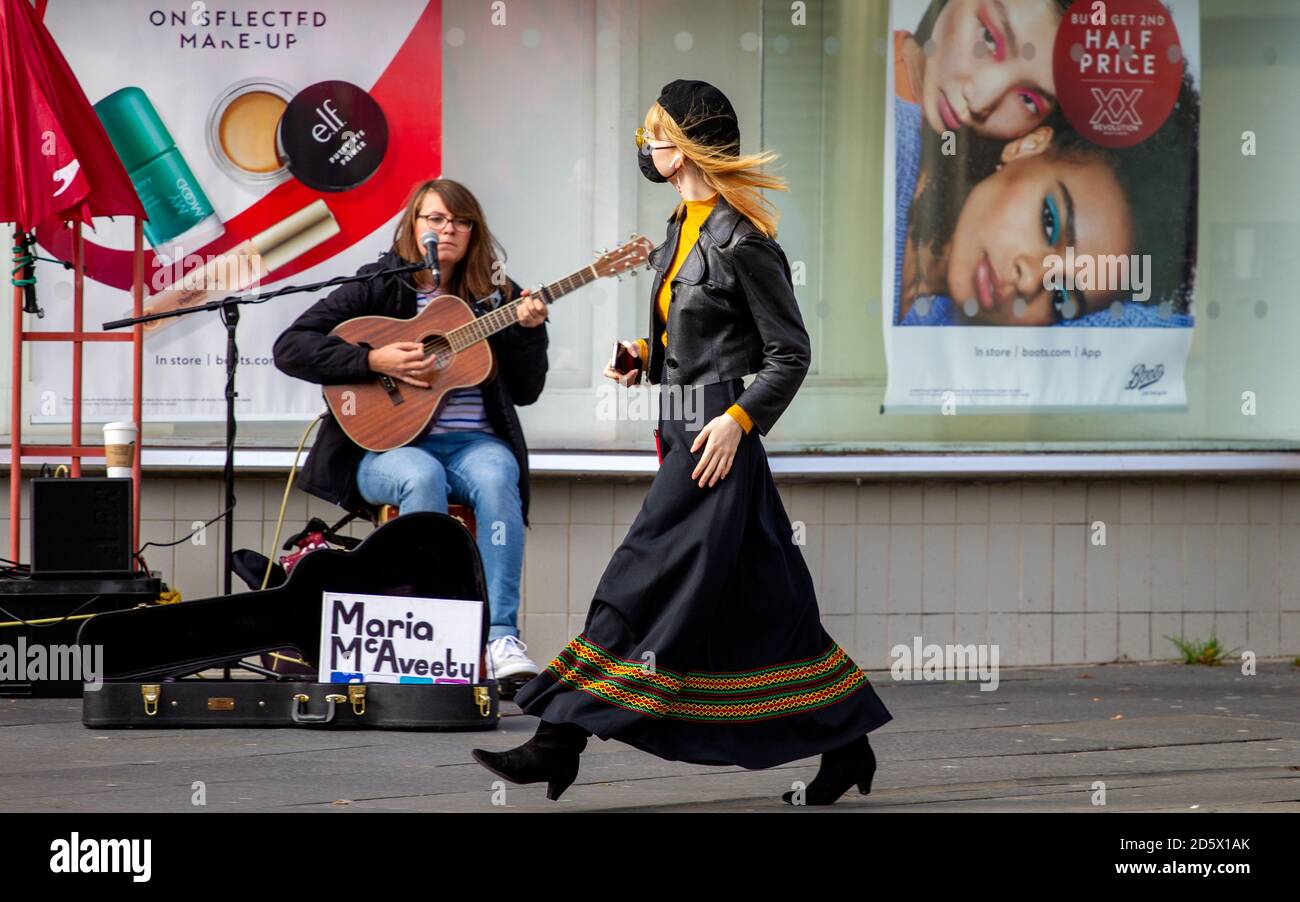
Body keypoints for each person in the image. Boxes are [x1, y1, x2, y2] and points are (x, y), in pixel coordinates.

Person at [472, 80, 893, 806]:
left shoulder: (743, 237)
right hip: (685, 435)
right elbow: (696, 337)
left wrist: (737, 421)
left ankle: (557, 740)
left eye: (656, 132)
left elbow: (788, 354)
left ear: (690, 142)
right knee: (769, 605)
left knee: (634, 583)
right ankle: (847, 743)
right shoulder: (681, 224)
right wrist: (642, 354)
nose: (646, 145)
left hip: (715, 449)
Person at [272, 178, 549, 695]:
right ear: (413, 225)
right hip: (387, 447)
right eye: (435, 219)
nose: (447, 230)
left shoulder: (498, 297)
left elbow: (527, 391)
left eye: (459, 221)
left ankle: (500, 639)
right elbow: (291, 347)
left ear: (473, 232)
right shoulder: (378, 286)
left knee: (498, 474)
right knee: (422, 475)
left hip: (473, 445)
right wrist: (371, 358)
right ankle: (426, 636)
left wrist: (530, 331)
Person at [897, 71, 1200, 326]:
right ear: (1027, 146)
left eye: (1061, 296)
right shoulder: (891, 150)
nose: (1029, 281)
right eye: (1049, 222)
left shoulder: (947, 338)